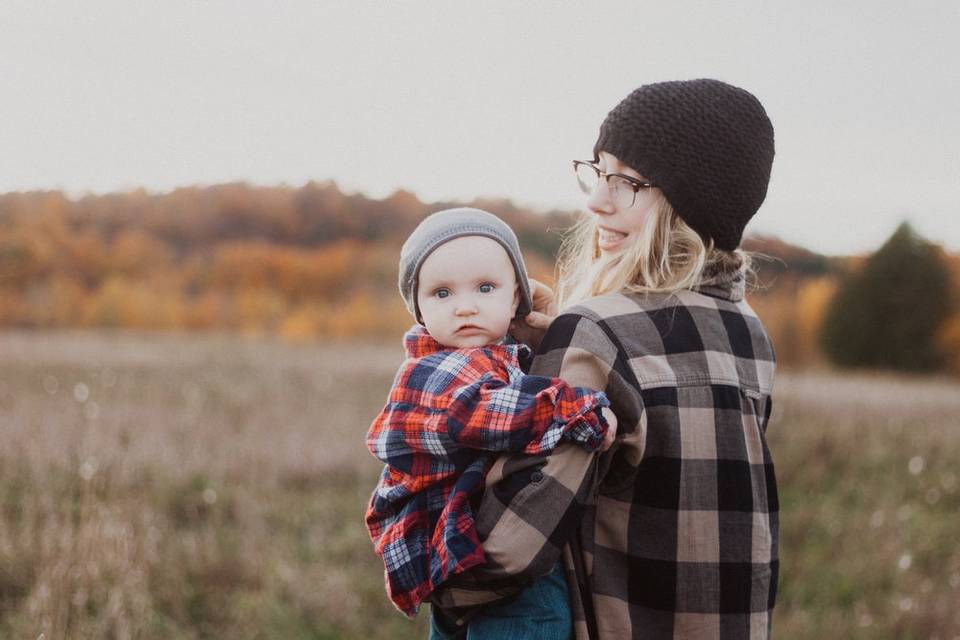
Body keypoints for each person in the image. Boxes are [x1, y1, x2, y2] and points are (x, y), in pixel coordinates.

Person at [432, 79, 779, 639]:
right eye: (598, 170)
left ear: (690, 204)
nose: (596, 200)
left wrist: (440, 590)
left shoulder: (596, 331)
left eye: (629, 182)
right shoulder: (749, 335)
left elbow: (510, 548)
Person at [363, 207, 617, 636]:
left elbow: (517, 382)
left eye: (485, 288)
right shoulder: (434, 369)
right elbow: (488, 415)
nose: (465, 307)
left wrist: (544, 332)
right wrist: (580, 409)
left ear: (516, 297)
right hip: (477, 560)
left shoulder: (496, 357)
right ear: (419, 309)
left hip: (467, 559)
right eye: (442, 293)